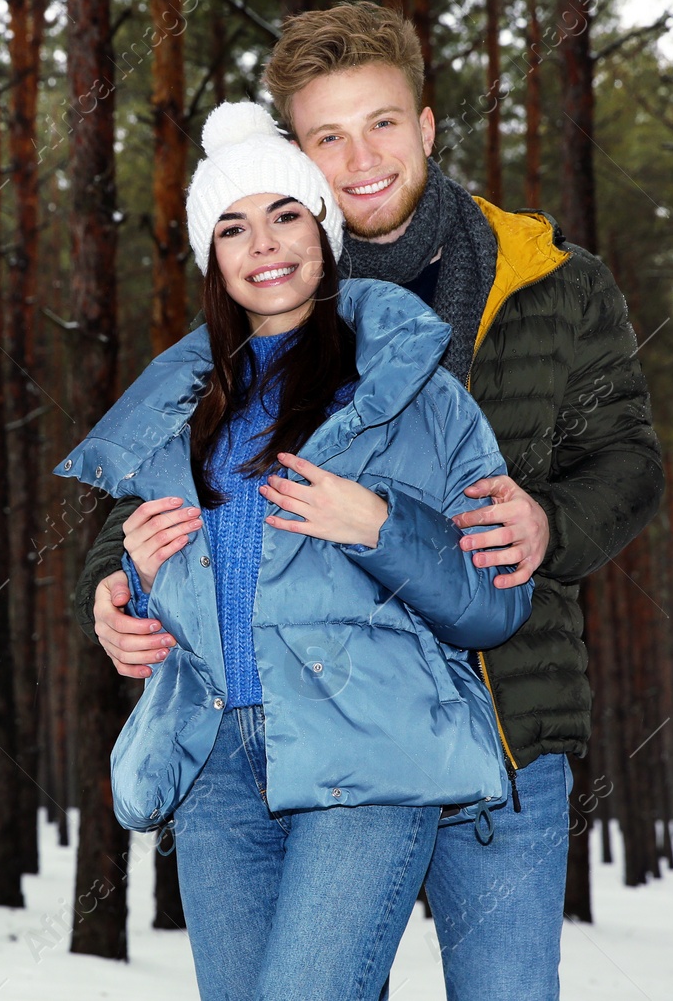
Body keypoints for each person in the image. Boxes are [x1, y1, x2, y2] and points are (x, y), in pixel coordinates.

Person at [73, 3, 664, 1000]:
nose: (360, 156)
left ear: (427, 126)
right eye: (326, 136)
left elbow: (630, 461)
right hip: (310, 735)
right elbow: (176, 481)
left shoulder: (552, 283)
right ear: (295, 158)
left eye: (381, 122)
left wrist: (549, 521)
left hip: (507, 718)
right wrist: (110, 586)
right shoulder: (273, 275)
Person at [54, 101, 533, 1001]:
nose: (263, 243)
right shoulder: (179, 419)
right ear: (212, 256)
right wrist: (142, 588)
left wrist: (381, 526)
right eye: (232, 226)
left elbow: (495, 602)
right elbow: (202, 592)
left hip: (370, 755)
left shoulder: (417, 397)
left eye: (285, 214)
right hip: (215, 763)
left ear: (323, 228)